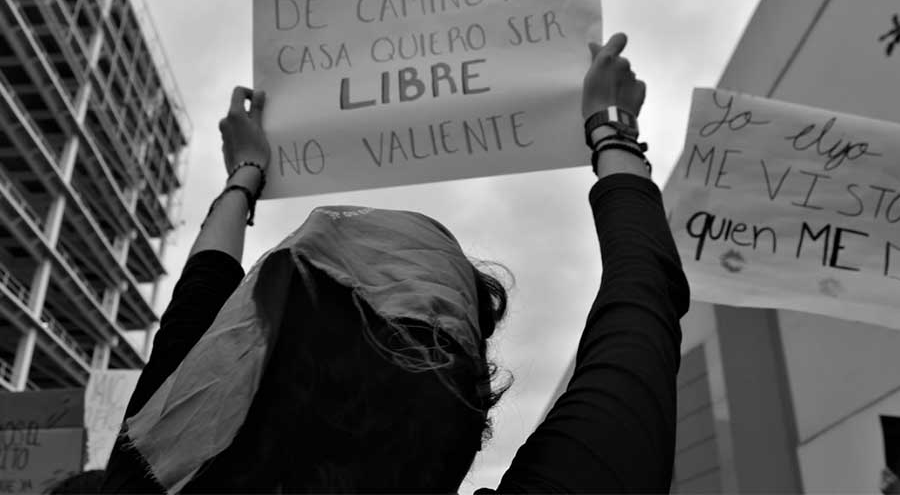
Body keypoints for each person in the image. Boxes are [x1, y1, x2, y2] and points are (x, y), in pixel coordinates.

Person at [101, 32, 689, 493]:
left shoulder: (154, 457)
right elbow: (642, 294)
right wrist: (611, 128)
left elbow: (200, 296)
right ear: (469, 392)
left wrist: (244, 173)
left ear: (240, 350)